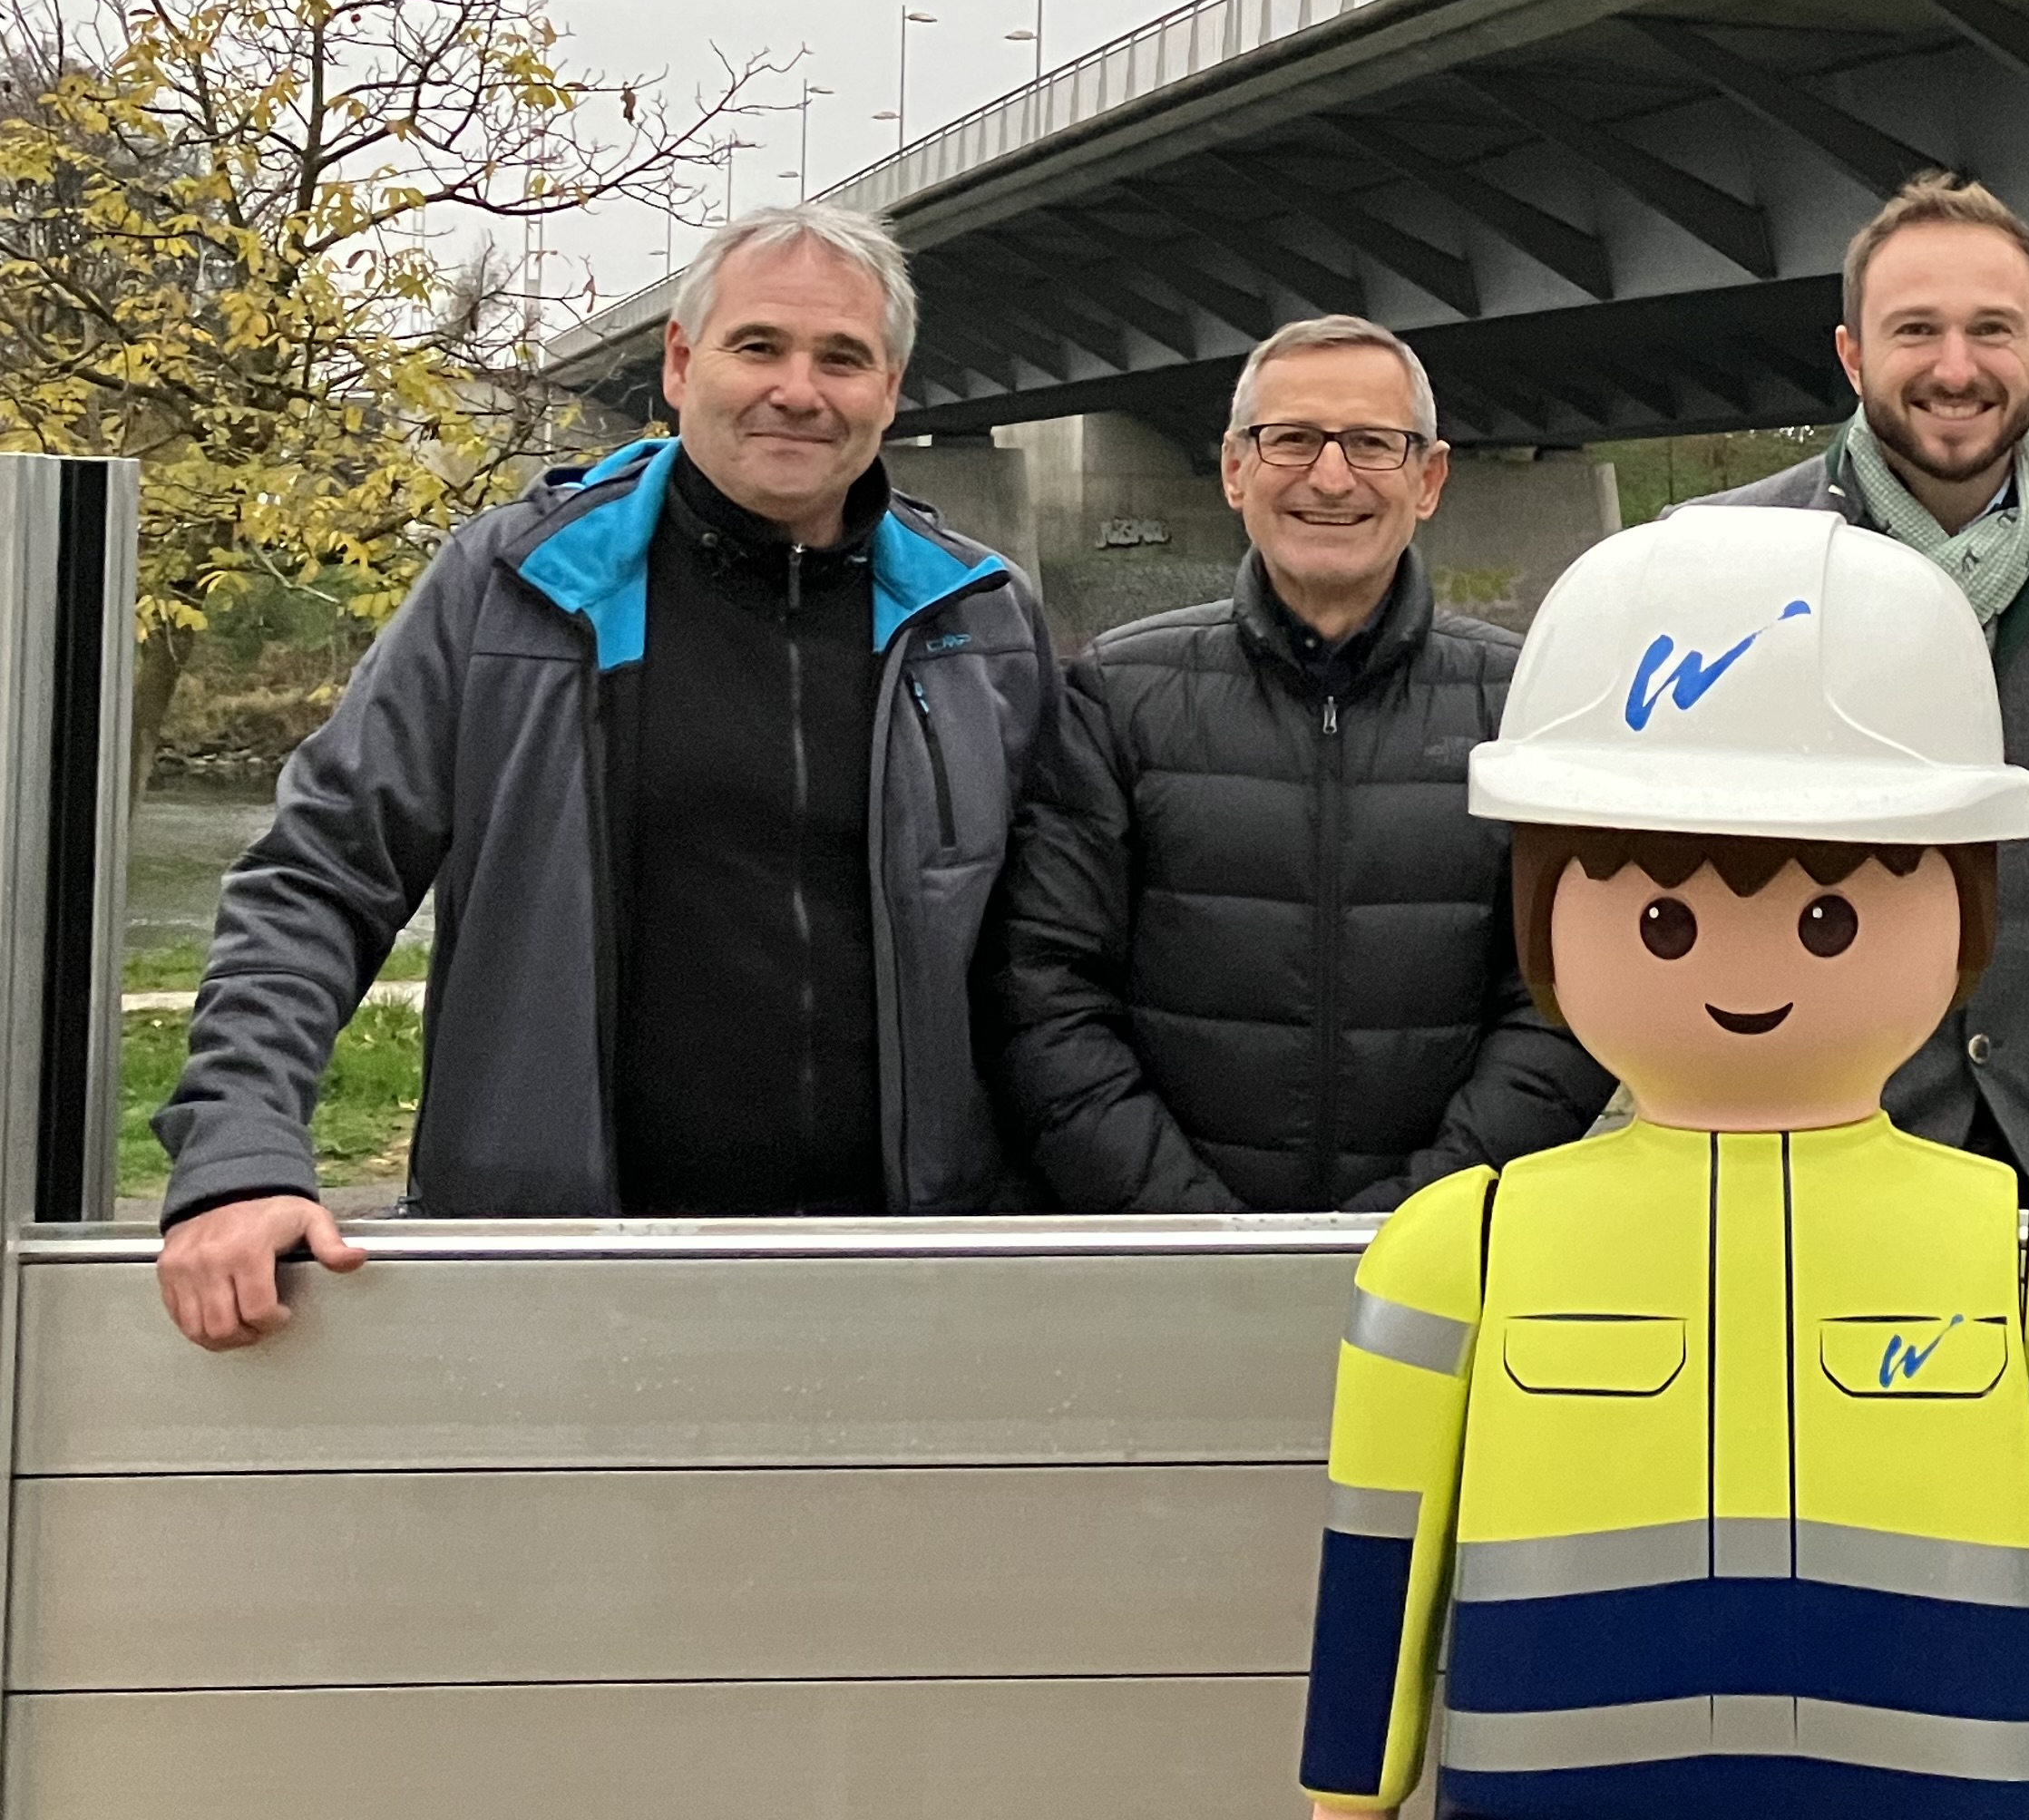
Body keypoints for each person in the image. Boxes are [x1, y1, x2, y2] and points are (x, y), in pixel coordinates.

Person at [1300, 504, 2029, 1820]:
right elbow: (1377, 1549)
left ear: (1964, 907)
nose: (1746, 964)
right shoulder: (1457, 1254)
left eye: (1832, 912)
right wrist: (1349, 1783)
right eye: (1661, 915)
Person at [151, 207, 1057, 1348]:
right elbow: (318, 874)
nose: (798, 389)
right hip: (551, 1275)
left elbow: (1058, 957)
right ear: (681, 365)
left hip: (902, 1281)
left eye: (842, 358)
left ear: (892, 389)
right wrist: (240, 1154)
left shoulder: (979, 620)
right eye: (759, 346)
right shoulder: (514, 586)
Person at [990, 316, 1607, 1212]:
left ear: (1428, 478)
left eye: (1371, 443)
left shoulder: (1525, 707)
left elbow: (1563, 1003)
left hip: (1446, 1265)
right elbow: (1045, 996)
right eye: (1293, 440)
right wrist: (1195, 1232)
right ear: (1237, 468)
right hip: (1171, 1268)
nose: (1330, 476)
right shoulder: (1115, 697)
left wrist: (1416, 1223)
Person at [1711, 176, 2029, 1207]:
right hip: (1814, 1141)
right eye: (1915, 330)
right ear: (1852, 355)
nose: (1956, 367)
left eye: (1993, 329)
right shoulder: (1725, 559)